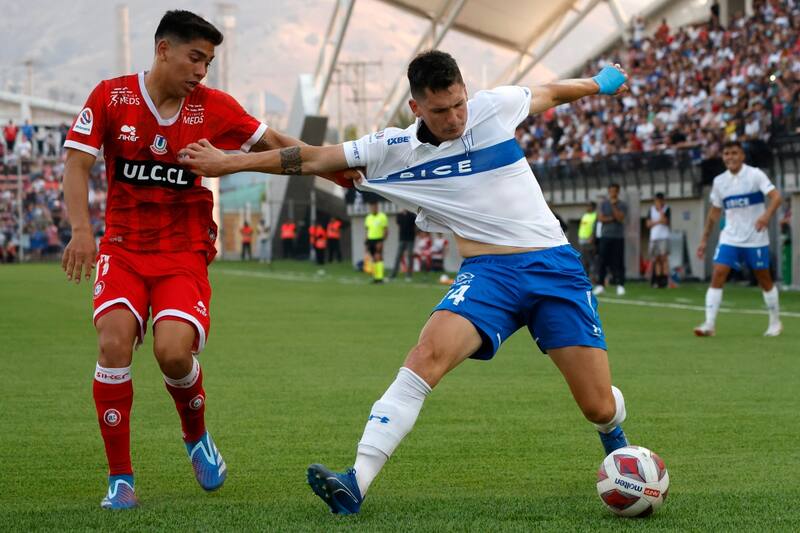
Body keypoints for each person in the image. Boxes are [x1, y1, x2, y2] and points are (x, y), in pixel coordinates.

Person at [179, 50, 631, 516]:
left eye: (459, 104)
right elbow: (310, 158)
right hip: (487, 277)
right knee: (425, 357)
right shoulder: (389, 148)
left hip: (553, 269)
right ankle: (355, 482)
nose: (455, 118)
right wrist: (229, 163)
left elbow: (551, 92)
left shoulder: (493, 107)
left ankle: (615, 438)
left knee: (597, 406)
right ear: (416, 107)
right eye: (441, 110)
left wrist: (600, 81)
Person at [60, 10, 351, 510]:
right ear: (163, 50)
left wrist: (338, 168)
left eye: (209, 62)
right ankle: (120, 480)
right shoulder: (111, 97)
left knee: (173, 352)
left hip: (182, 253)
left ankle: (196, 435)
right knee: (112, 343)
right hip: (124, 249)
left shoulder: (213, 108)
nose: (201, 71)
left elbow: (277, 144)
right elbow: (77, 162)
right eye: (195, 58)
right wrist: (82, 231)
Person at [695, 141, 782, 337]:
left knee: (764, 278)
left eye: (734, 153)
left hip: (755, 237)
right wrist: (703, 240)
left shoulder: (755, 174)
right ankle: (709, 324)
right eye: (726, 153)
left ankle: (775, 322)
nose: (730, 157)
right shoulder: (719, 182)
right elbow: (714, 214)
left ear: (742, 156)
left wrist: (766, 216)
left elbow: (776, 197)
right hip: (730, 237)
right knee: (718, 272)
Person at [593, 183, 628, 296]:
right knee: (602, 260)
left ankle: (620, 285)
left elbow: (620, 218)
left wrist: (613, 207)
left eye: (615, 191)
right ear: (609, 191)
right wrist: (612, 218)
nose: (613, 193)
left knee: (618, 261)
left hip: (618, 237)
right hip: (605, 236)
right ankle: (600, 285)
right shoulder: (603, 204)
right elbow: (600, 218)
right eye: (611, 191)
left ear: (618, 192)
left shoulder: (622, 204)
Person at [647, 193, 671, 288]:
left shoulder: (666, 209)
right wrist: (657, 222)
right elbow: (648, 224)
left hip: (664, 237)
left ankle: (665, 280)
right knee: (656, 259)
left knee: (664, 259)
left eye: (660, 201)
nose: (658, 202)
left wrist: (661, 210)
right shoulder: (651, 209)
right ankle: (657, 279)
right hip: (654, 237)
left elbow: (665, 221)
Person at [364, 202, 388, 283]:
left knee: (378, 257)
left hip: (378, 239)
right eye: (372, 207)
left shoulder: (382, 217)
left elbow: (386, 230)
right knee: (373, 258)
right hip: (370, 240)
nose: (373, 208)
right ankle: (375, 277)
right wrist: (366, 242)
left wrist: (382, 240)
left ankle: (380, 278)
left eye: (375, 207)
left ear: (377, 207)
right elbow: (367, 231)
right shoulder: (368, 218)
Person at [391, 209, 416, 281]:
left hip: (410, 239)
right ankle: (393, 274)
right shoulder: (399, 215)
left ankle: (409, 275)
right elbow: (398, 224)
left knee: (410, 257)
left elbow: (414, 226)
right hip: (402, 239)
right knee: (398, 256)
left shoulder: (412, 215)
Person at [578, 201, 597, 280]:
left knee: (590, 260)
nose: (587, 207)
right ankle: (585, 277)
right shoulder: (585, 215)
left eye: (589, 206)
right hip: (582, 240)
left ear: (593, 207)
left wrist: (592, 237)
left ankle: (593, 277)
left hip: (589, 240)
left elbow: (595, 228)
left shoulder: (595, 216)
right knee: (583, 260)